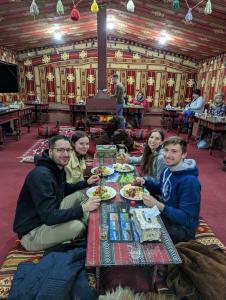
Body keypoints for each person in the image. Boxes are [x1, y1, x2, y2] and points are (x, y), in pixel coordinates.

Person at [13, 135, 101, 251]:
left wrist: (86, 183)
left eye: (68, 150)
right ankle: (84, 223)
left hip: (45, 217)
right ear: (50, 151)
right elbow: (49, 217)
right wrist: (83, 209)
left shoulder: (56, 167)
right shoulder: (41, 176)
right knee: (77, 226)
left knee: (82, 193)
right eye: (60, 150)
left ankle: (84, 220)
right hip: (32, 232)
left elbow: (64, 188)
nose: (65, 154)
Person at [135, 136, 201, 243]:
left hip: (182, 229)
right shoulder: (167, 170)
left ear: (184, 154)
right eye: (166, 150)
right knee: (134, 216)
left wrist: (158, 205)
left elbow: (187, 218)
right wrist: (145, 182)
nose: (168, 155)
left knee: (141, 235)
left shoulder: (190, 182)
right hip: (166, 215)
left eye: (174, 151)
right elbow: (163, 189)